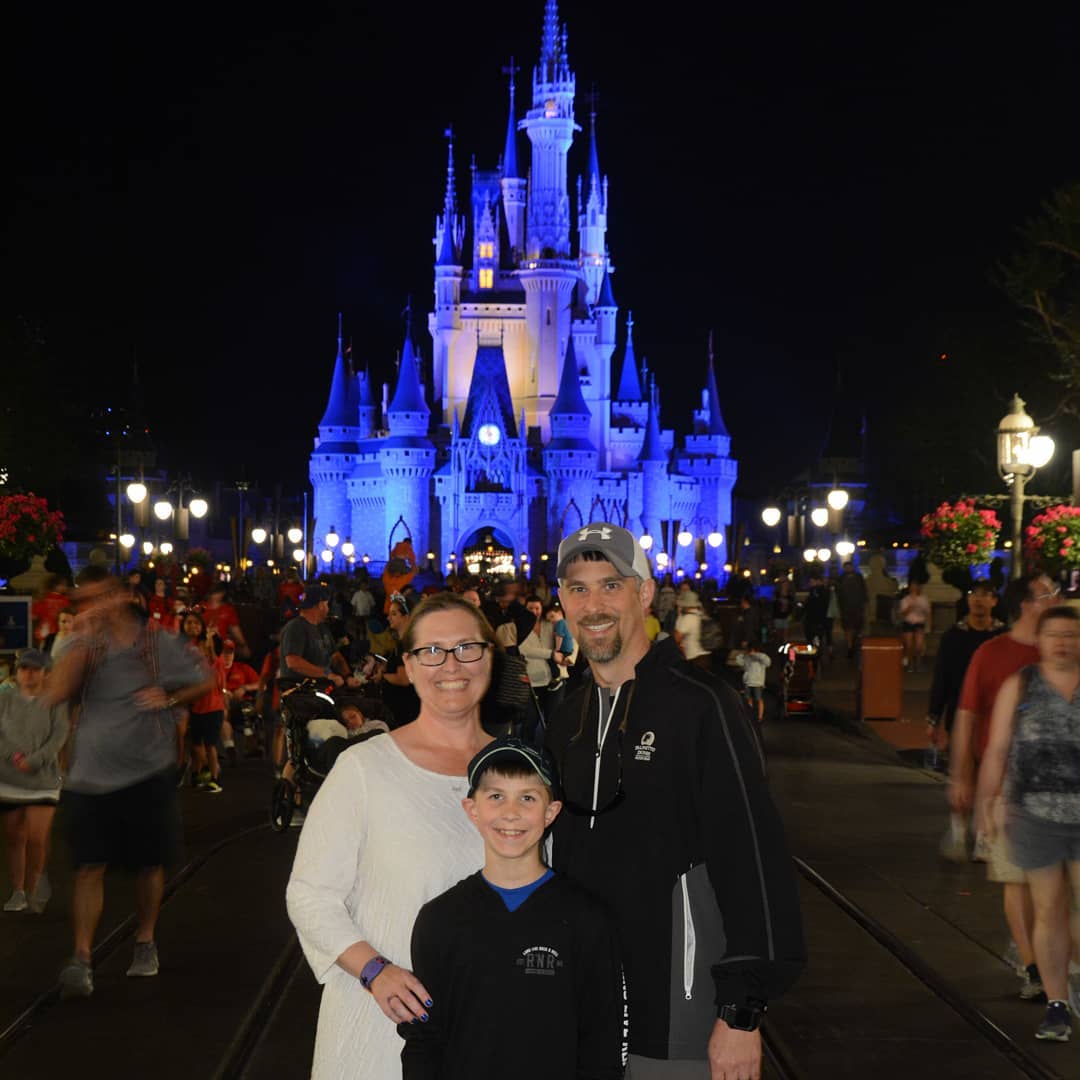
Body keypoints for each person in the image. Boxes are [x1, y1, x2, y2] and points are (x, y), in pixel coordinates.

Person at [546, 523, 805, 1079]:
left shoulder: (703, 705)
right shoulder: (568, 715)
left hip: (677, 1008)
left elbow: (751, 854)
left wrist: (741, 1011)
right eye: (578, 588)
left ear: (643, 594)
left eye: (610, 585)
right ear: (561, 600)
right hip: (580, 1006)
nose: (593, 605)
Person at [286, 593, 498, 1078]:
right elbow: (310, 894)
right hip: (380, 1021)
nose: (451, 665)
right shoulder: (365, 767)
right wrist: (374, 971)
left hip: (483, 1021)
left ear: (489, 656)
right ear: (410, 665)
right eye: (432, 650)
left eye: (467, 647)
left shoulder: (518, 770)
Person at [399, 736, 624, 1079]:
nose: (511, 813)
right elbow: (423, 1041)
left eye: (527, 798)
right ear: (472, 809)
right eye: (496, 796)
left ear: (551, 812)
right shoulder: (439, 920)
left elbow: (603, 1044)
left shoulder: (587, 919)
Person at [44, 566, 212, 998]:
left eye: (99, 597)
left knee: (149, 864)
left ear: (120, 596)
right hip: (91, 776)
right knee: (89, 866)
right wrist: (81, 642)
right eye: (85, 600)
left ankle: (145, 939)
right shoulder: (82, 643)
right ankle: (82, 957)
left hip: (147, 772)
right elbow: (55, 693)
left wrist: (170, 697)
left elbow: (204, 679)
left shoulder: (156, 642)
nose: (92, 606)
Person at [950, 573, 1062, 1001]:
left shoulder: (1064, 651)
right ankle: (1033, 966)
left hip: (1061, 786)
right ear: (1027, 605)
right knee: (1019, 880)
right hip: (1006, 787)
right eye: (1049, 594)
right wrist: (962, 775)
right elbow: (967, 716)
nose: (1057, 599)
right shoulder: (991, 653)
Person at [975, 605, 1080, 1041]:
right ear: (1039, 640)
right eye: (1054, 634)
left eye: (1072, 635)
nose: (1063, 643)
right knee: (1049, 909)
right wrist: (985, 801)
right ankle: (1057, 1005)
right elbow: (998, 749)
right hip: (1034, 815)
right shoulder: (1020, 686)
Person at [927, 581, 1004, 860]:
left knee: (992, 779)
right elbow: (942, 678)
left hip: (995, 717)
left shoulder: (1001, 637)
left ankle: (984, 836)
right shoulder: (953, 637)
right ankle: (959, 831)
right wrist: (933, 717)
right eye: (974, 595)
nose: (978, 601)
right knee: (961, 774)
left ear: (994, 601)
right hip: (960, 715)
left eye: (985, 595)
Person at [0, 649, 68, 913]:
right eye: (24, 668)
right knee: (14, 837)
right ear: (17, 672)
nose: (28, 674)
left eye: (35, 669)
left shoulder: (56, 702)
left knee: (37, 838)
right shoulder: (4, 699)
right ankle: (18, 890)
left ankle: (34, 885)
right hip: (9, 778)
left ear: (45, 673)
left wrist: (35, 760)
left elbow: (59, 736)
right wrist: (15, 756)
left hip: (43, 779)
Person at [836, 561, 868, 657]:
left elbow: (863, 591)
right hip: (847, 607)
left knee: (854, 627)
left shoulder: (858, 577)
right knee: (849, 628)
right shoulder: (842, 578)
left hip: (855, 607)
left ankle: (852, 644)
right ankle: (850, 646)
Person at [734, 642, 771, 723]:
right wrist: (743, 654)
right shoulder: (747, 657)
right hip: (748, 682)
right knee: (749, 699)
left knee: (759, 699)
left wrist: (755, 654)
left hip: (758, 683)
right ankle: (750, 716)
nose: (750, 651)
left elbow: (768, 662)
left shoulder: (761, 657)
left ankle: (760, 717)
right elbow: (739, 662)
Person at [898, 580, 931, 672]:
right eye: (912, 587)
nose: (914, 589)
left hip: (919, 623)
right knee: (909, 645)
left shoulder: (923, 599)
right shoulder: (905, 599)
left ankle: (918, 663)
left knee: (919, 646)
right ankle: (911, 664)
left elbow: (928, 612)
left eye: (916, 586)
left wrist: (928, 624)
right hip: (908, 623)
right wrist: (910, 607)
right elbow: (903, 613)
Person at [674, 589, 710, 669]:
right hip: (705, 655)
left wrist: (679, 616)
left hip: (693, 657)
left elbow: (676, 638)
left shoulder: (688, 618)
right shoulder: (701, 614)